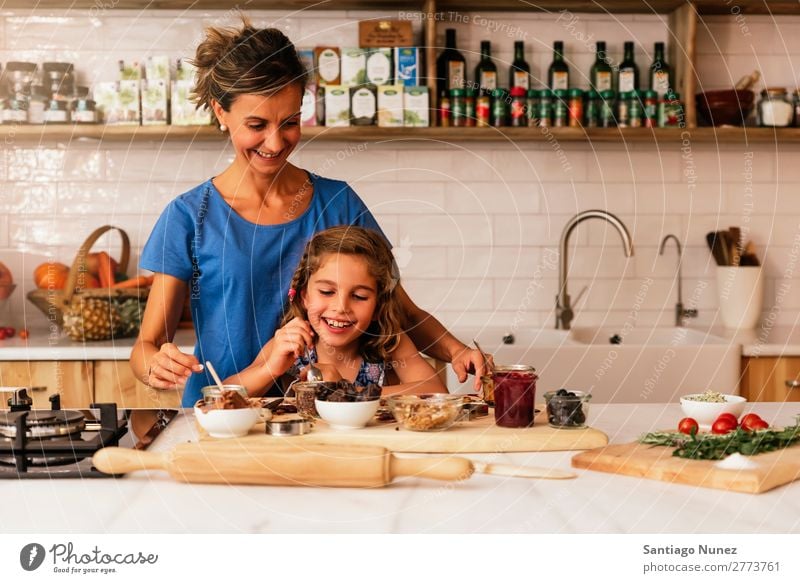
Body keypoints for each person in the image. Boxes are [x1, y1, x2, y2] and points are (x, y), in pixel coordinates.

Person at [130, 16, 486, 407]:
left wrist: (454, 351)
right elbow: (146, 346)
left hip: (316, 417)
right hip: (223, 413)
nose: (275, 141)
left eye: (290, 123)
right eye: (256, 124)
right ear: (221, 112)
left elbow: (397, 306)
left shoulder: (337, 202)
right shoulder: (188, 217)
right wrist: (156, 365)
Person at [227, 226, 446, 395]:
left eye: (359, 296)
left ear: (379, 306)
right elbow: (223, 394)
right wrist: (270, 370)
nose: (341, 308)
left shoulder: (388, 342)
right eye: (326, 291)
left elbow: (436, 391)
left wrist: (347, 392)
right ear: (304, 296)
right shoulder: (291, 342)